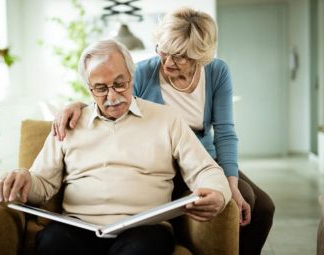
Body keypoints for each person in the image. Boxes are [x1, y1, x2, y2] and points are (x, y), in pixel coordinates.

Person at [52, 7, 275, 255]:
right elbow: (111, 98)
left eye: (180, 56)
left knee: (263, 207)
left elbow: (224, 131)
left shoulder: (216, 72)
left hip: (200, 156)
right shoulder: (145, 71)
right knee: (243, 197)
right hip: (165, 157)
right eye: (163, 50)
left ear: (198, 55)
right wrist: (77, 105)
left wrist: (230, 182)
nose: (168, 62)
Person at [0, 39, 231, 255]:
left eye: (120, 84)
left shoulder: (167, 119)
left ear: (132, 76)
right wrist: (24, 177)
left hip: (144, 229)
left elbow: (205, 170)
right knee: (53, 242)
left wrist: (217, 192)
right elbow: (42, 183)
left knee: (142, 248)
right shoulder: (69, 124)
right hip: (78, 228)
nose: (112, 96)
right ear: (89, 88)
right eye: (101, 88)